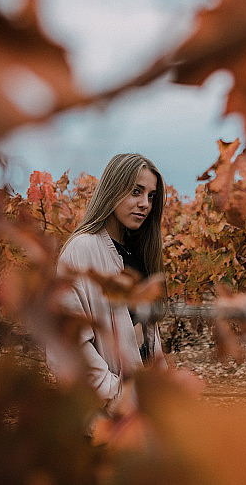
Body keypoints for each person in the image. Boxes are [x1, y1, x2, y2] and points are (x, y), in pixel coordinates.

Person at [49, 153, 168, 417]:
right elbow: (67, 342)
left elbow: (145, 334)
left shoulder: (135, 254)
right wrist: (115, 395)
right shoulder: (83, 249)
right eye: (136, 191)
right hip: (105, 413)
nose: (145, 204)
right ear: (114, 188)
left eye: (151, 196)